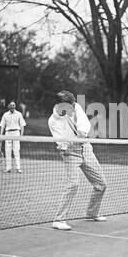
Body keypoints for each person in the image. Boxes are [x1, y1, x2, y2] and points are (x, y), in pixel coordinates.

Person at [48, 90, 107, 230]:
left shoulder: (76, 107)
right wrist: (63, 146)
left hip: (86, 148)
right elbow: (60, 138)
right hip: (70, 152)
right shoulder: (53, 121)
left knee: (101, 184)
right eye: (70, 105)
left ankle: (91, 214)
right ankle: (58, 220)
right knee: (73, 184)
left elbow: (83, 125)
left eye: (74, 103)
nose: (74, 106)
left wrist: (82, 133)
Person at [0, 101, 26, 173]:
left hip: (16, 133)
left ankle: (18, 168)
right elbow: (2, 126)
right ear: (8, 106)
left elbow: (22, 125)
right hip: (7, 133)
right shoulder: (5, 115)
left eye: (13, 105)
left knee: (16, 151)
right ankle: (8, 168)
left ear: (15, 106)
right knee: (7, 151)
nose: (12, 106)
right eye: (11, 105)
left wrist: (21, 136)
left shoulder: (19, 114)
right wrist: (0, 136)